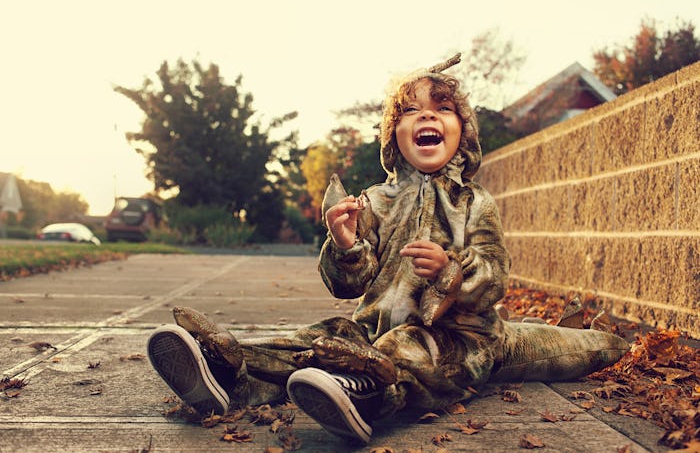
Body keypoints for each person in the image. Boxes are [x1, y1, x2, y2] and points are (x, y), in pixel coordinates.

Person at [147, 55, 629, 445]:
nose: (427, 116)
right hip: (369, 328)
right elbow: (346, 285)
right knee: (319, 338)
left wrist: (451, 270)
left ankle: (364, 397)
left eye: (441, 108)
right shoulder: (374, 201)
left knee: (407, 350)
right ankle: (230, 372)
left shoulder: (473, 202)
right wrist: (344, 244)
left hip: (461, 337)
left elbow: (496, 277)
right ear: (393, 137)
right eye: (411, 110)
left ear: (463, 131)